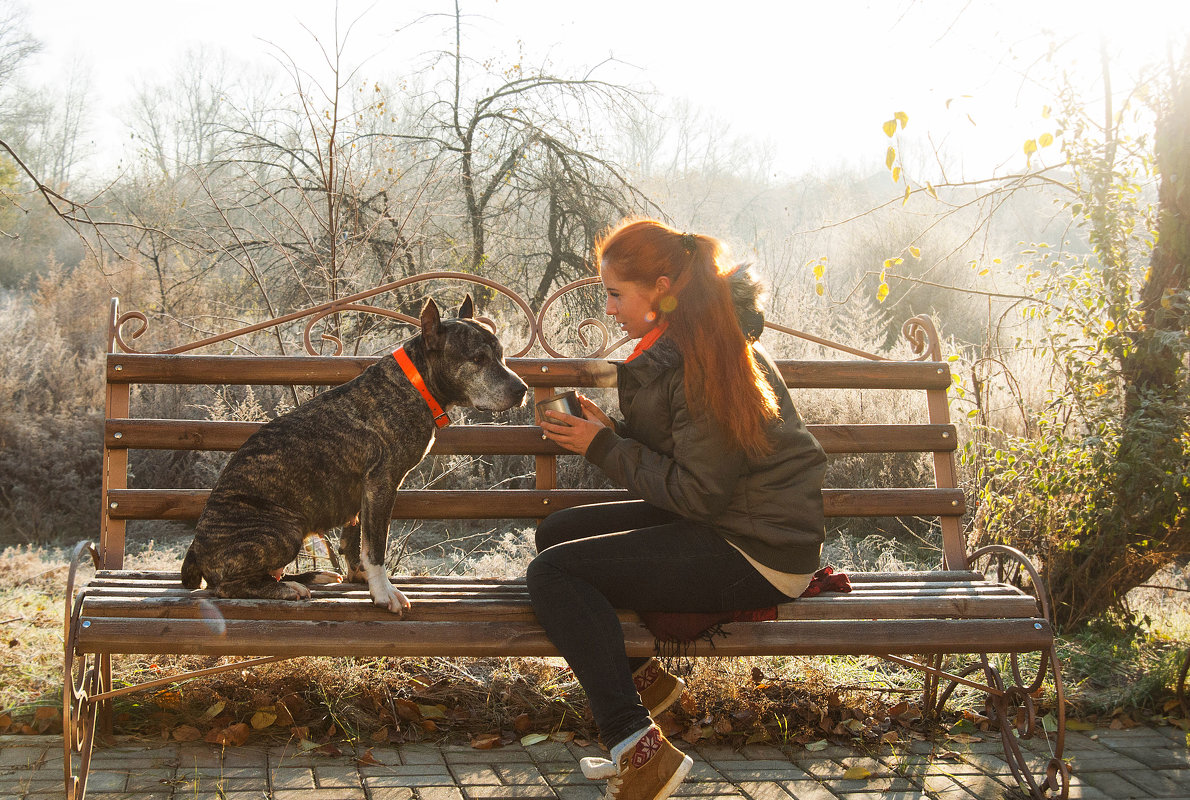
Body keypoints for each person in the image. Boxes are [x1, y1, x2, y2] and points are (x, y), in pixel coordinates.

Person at [527, 218, 827, 800]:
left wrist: (605, 447)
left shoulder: (704, 363)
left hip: (755, 551)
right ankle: (647, 683)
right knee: (556, 534)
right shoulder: (688, 345)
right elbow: (691, 458)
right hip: (729, 521)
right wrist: (606, 433)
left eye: (616, 294)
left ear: (661, 288)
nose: (608, 308)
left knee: (553, 573)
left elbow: (699, 491)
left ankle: (639, 751)